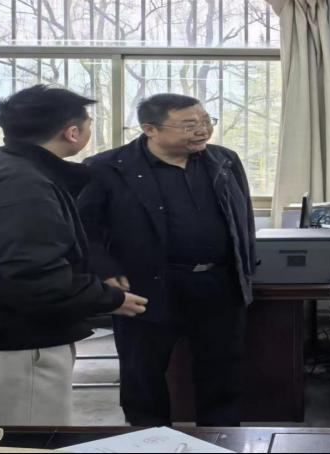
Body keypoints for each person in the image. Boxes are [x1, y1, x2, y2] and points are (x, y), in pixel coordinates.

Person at [0, 85, 148, 426]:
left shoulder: (5, 168)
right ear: (72, 132)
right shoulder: (21, 185)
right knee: (16, 440)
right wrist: (107, 298)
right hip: (9, 349)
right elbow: (25, 275)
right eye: (89, 123)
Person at [78, 93, 256, 426]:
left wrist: (245, 267)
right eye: (189, 125)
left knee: (222, 374)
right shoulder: (107, 167)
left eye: (206, 121)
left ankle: (221, 439)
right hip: (145, 288)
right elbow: (83, 229)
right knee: (142, 376)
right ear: (150, 129)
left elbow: (241, 217)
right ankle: (148, 439)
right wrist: (105, 270)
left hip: (218, 285)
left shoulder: (225, 160)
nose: (202, 131)